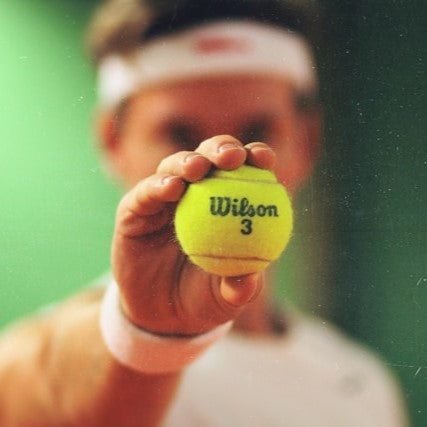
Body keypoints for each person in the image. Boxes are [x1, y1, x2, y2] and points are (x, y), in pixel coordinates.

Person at [0, 0, 409, 426]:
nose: (221, 163)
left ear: (307, 141)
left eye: (257, 134)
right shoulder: (36, 361)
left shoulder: (364, 384)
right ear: (112, 142)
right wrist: (147, 334)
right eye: (179, 135)